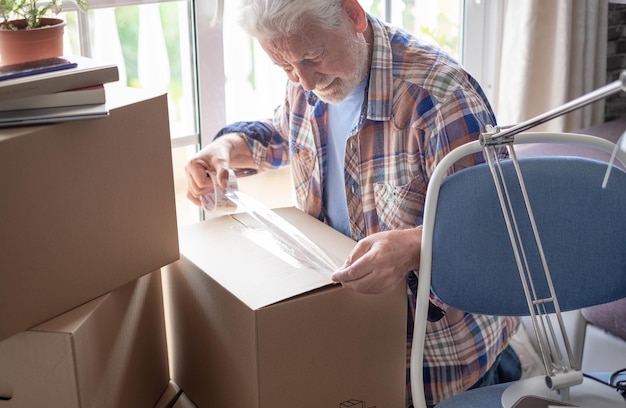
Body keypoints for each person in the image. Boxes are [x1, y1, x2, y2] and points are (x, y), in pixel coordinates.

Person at [185, 0, 522, 406]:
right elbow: (281, 131)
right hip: (357, 337)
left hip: (446, 361)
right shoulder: (306, 75)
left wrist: (414, 247)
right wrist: (224, 148)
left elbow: (497, 232)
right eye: (286, 68)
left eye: (313, 57)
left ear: (353, 14)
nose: (304, 82)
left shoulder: (440, 99)